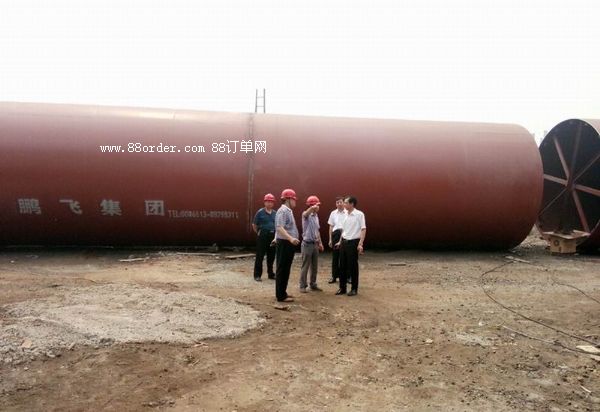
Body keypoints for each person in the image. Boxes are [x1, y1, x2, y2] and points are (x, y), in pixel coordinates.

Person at [335, 195, 366, 296]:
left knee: (352, 266)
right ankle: (342, 288)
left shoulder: (359, 214)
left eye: (345, 202)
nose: (343, 204)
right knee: (342, 266)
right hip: (344, 242)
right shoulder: (345, 214)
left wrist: (360, 243)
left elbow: (363, 229)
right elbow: (343, 230)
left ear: (352, 204)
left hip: (353, 243)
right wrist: (340, 241)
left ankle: (354, 289)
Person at [274, 188, 300, 302]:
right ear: (288, 199)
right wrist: (291, 238)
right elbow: (279, 227)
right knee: (282, 269)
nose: (295, 201)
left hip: (288, 244)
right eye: (294, 199)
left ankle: (283, 292)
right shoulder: (283, 211)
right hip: (285, 243)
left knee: (286, 269)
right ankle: (280, 296)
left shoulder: (288, 211)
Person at [299, 195, 324, 293]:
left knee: (314, 266)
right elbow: (305, 214)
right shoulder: (306, 215)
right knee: (305, 266)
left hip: (315, 244)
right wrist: (312, 208)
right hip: (307, 244)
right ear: (312, 205)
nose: (318, 207)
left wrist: (320, 243)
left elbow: (317, 231)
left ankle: (313, 284)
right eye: (317, 205)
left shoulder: (316, 216)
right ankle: (302, 286)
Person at [252, 193, 277, 281]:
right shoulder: (260, 212)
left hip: (272, 236)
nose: (269, 203)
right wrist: (258, 232)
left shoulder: (275, 213)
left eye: (271, 202)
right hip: (262, 236)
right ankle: (257, 275)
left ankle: (271, 274)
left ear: (273, 203)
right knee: (260, 256)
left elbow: (277, 225)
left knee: (271, 256)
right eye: (267, 201)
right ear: (264, 202)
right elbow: (254, 224)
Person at [327, 196, 346, 284]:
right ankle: (334, 276)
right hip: (335, 235)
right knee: (335, 257)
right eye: (337, 202)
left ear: (344, 203)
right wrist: (330, 239)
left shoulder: (347, 212)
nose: (339, 204)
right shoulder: (333, 213)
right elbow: (331, 226)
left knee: (345, 257)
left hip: (345, 235)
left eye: (340, 202)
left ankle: (346, 276)